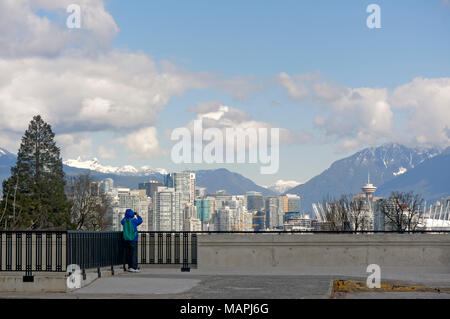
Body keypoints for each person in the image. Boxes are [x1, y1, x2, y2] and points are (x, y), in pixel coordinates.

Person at [121, 208, 143, 272]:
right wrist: (137, 215)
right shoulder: (134, 220)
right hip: (133, 239)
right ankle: (134, 267)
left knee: (128, 253)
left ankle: (130, 266)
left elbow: (121, 221)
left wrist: (126, 216)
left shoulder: (124, 221)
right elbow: (140, 221)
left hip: (126, 239)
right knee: (134, 254)